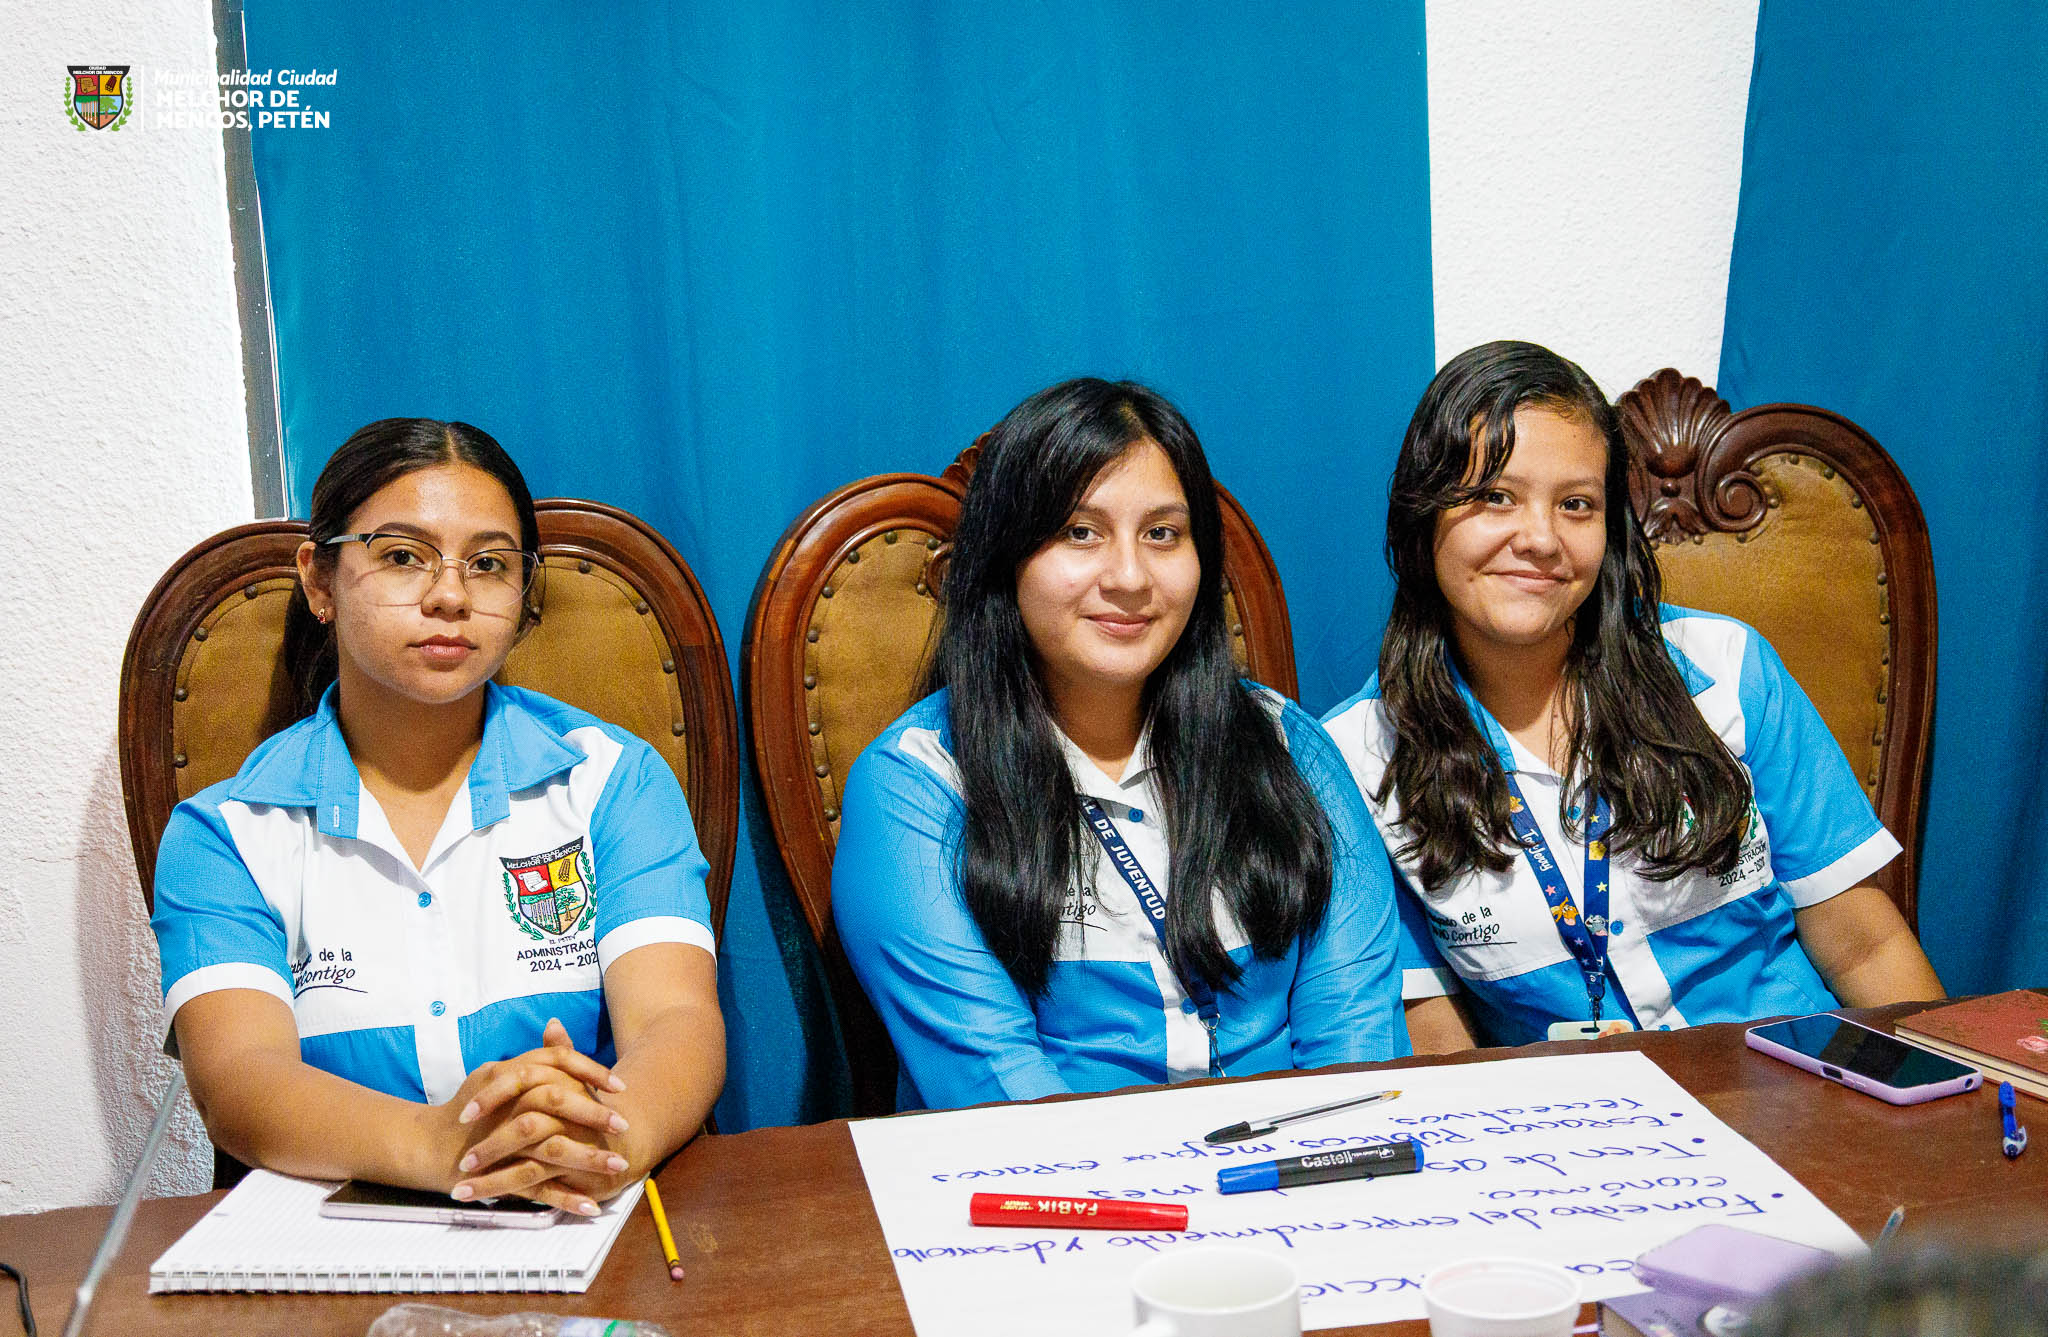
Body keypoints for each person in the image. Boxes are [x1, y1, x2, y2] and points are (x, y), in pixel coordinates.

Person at [151, 419, 724, 1214]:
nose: (450, 595)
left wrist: (612, 1142)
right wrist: (441, 1144)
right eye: (401, 556)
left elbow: (676, 1019)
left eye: (488, 564)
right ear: (319, 582)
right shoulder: (227, 833)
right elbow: (239, 1081)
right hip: (338, 1242)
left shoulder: (612, 781)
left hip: (583, 1213)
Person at [1323, 341, 1944, 1052]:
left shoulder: (1726, 667)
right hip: (1580, 1118)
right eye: (1495, 496)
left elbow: (1864, 946)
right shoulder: (1357, 760)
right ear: (1422, 514)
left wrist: (1942, 1093)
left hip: (1795, 1089)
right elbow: (1432, 1026)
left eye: (1576, 504)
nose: (1541, 539)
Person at [832, 377, 1408, 1111]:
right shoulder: (919, 785)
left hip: (1297, 1167)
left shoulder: (1290, 747)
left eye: (1162, 534)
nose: (1130, 577)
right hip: (1061, 1178)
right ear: (1005, 557)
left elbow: (1357, 1047)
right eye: (1081, 532)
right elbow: (1000, 1095)